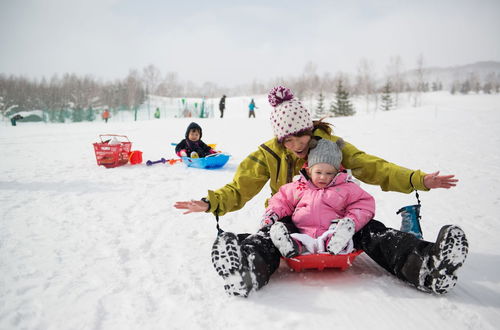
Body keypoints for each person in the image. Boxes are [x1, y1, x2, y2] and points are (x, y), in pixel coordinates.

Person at [174, 86, 468, 298]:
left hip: (339, 219)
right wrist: (210, 202)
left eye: (301, 135)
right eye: (287, 140)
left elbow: (373, 166)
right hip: (292, 218)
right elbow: (240, 187)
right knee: (268, 237)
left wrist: (418, 179)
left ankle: (429, 267)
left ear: (310, 127)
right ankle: (245, 271)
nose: (296, 144)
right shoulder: (267, 155)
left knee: (376, 233)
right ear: (279, 139)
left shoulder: (331, 147)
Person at [265, 138, 375, 258]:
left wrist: (351, 221)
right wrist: (272, 214)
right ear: (309, 170)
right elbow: (281, 200)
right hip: (300, 232)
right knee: (286, 229)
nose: (323, 177)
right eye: (318, 172)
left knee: (339, 230)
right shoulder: (299, 187)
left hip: (332, 232)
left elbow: (363, 204)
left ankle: (337, 242)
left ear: (337, 172)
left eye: (329, 173)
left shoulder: (346, 187)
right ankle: (289, 245)